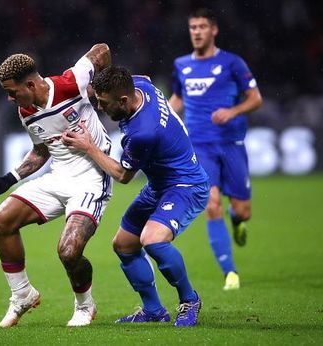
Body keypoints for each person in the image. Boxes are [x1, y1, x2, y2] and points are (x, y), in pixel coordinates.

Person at [62, 66, 210, 327]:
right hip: (159, 185)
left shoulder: (143, 133)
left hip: (185, 185)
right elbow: (146, 78)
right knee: (124, 245)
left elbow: (122, 175)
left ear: (123, 100)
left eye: (104, 103)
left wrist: (88, 147)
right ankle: (154, 311)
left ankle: (190, 300)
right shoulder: (139, 85)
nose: (99, 107)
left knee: (152, 240)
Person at [0, 43, 113, 327]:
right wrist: (10, 179)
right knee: (1, 221)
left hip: (91, 178)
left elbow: (101, 50)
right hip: (58, 177)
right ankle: (22, 295)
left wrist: (104, 90)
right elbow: (41, 151)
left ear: (30, 84)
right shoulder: (26, 110)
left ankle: (85, 306)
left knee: (68, 251)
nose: (9, 99)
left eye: (12, 92)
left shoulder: (71, 82)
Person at [169, 8, 263, 290]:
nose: (196, 32)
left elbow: (256, 98)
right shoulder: (181, 65)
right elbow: (177, 98)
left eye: (201, 27)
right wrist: (162, 121)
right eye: (192, 27)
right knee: (211, 205)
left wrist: (233, 111)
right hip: (199, 146)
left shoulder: (232, 63)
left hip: (231, 144)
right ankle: (230, 273)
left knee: (242, 209)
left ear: (214, 30)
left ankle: (238, 220)